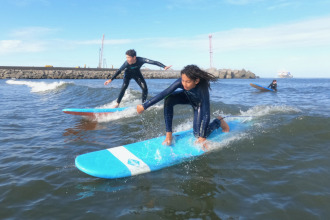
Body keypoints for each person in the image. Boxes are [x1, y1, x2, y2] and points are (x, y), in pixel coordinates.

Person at [136, 64, 230, 148]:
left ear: (196, 81)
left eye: (188, 81)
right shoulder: (181, 82)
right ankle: (169, 135)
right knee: (169, 99)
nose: (184, 84)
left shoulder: (202, 88)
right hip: (187, 97)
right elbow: (164, 93)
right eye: (183, 80)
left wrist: (203, 137)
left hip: (199, 104)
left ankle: (218, 121)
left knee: (197, 135)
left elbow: (206, 112)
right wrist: (144, 106)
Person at [104, 49, 172, 108]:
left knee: (145, 88)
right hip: (128, 75)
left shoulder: (141, 60)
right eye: (126, 57)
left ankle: (143, 104)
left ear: (134, 57)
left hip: (137, 74)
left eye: (128, 57)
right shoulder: (126, 63)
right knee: (124, 86)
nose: (127, 59)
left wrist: (164, 66)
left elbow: (153, 62)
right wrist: (111, 79)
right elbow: (119, 70)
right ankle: (117, 103)